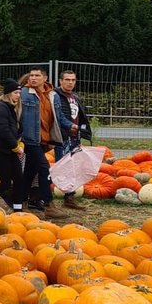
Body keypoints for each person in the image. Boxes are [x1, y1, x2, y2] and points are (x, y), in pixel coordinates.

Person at [17, 69, 64, 218]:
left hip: (43, 139)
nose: (33, 78)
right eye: (31, 75)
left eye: (37, 76)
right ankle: (49, 205)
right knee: (44, 169)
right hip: (29, 139)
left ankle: (22, 202)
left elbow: (59, 116)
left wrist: (71, 126)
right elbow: (15, 113)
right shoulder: (24, 93)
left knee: (30, 172)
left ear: (45, 78)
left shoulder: (53, 95)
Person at [52, 70, 93, 211]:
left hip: (75, 136)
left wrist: (83, 133)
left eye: (73, 80)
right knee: (62, 167)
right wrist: (69, 127)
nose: (70, 82)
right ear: (60, 81)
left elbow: (81, 117)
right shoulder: (56, 96)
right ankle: (42, 196)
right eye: (67, 79)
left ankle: (69, 198)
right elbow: (58, 116)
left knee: (73, 167)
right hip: (62, 136)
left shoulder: (75, 98)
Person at [0, 81, 26, 213]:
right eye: (15, 93)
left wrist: (20, 143)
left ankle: (18, 209)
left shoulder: (11, 108)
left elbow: (16, 129)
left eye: (19, 93)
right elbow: (3, 130)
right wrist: (15, 146)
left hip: (9, 149)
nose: (18, 96)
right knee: (4, 182)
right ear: (8, 93)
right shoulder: (0, 107)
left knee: (19, 178)